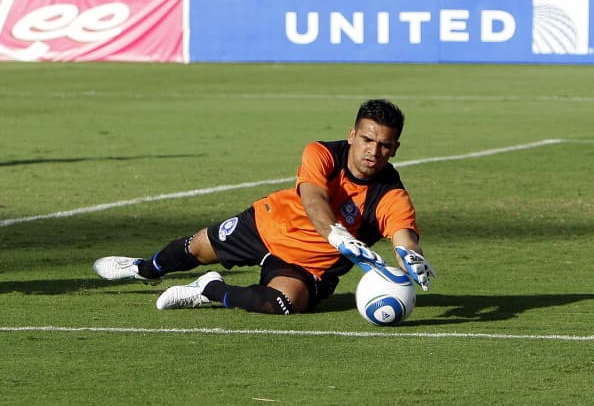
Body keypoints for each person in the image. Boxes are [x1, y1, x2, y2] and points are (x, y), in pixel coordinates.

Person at [93, 98, 436, 315]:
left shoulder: (390, 194)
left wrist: (411, 255)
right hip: (266, 225)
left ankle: (210, 289)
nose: (373, 152)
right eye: (367, 140)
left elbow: (403, 234)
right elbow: (314, 199)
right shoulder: (321, 153)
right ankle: (143, 269)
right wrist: (336, 233)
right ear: (352, 135)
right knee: (196, 247)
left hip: (308, 266)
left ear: (395, 149)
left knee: (284, 303)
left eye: (384, 145)